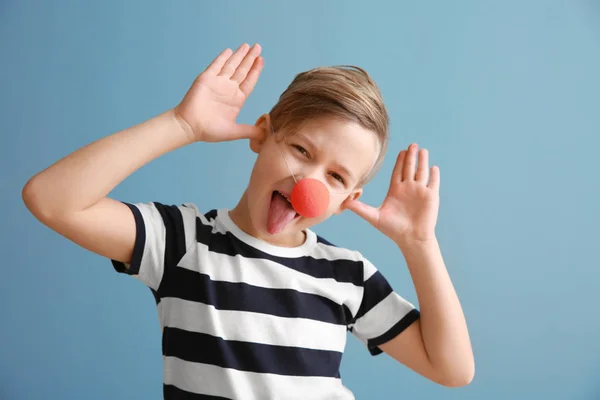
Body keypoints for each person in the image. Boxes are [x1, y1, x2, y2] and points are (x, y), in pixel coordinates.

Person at [22, 43, 474, 399]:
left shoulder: (348, 275)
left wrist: (419, 243)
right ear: (263, 133)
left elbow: (451, 369)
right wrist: (182, 125)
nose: (307, 184)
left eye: (335, 177)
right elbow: (52, 200)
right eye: (301, 150)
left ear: (346, 200)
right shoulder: (181, 243)